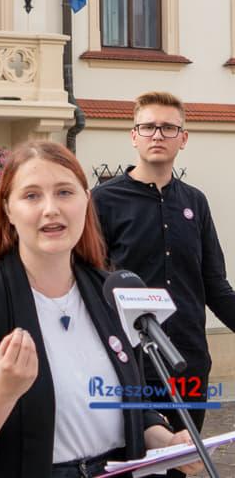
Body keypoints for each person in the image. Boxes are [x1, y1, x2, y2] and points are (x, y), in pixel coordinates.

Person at [0, 140, 201, 478]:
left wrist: (167, 441)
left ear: (86, 200)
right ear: (8, 210)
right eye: (31, 196)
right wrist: (2, 393)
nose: (51, 209)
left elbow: (132, 408)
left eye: (64, 192)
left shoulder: (111, 294)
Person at [92, 91, 235, 477]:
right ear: (133, 135)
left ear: (182, 138)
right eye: (148, 127)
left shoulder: (195, 202)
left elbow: (215, 285)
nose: (157, 134)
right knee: (136, 466)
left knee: (182, 466)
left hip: (189, 361)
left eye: (168, 128)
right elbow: (90, 285)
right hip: (132, 364)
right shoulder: (102, 201)